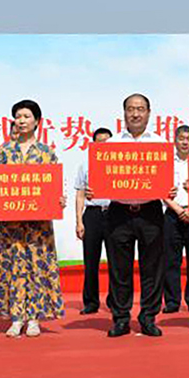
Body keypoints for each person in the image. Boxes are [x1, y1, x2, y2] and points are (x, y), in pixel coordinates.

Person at [0, 100, 66, 338]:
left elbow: (54, 185)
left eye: (26, 116)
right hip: (11, 223)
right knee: (13, 265)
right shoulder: (5, 151)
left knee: (37, 266)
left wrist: (59, 200)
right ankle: (16, 317)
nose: (21, 121)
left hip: (38, 224)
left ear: (37, 121)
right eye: (18, 116)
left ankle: (34, 319)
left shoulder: (46, 152)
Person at [101, 94, 177, 338]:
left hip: (150, 212)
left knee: (152, 268)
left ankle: (148, 317)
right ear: (124, 113)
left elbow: (170, 179)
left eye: (140, 109)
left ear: (149, 113)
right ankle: (121, 318)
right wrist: (95, 189)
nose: (135, 114)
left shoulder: (160, 144)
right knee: (119, 269)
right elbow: (101, 178)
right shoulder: (112, 144)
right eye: (131, 109)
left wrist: (172, 188)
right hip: (119, 213)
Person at [162, 125, 189, 314]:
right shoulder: (166, 162)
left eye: (188, 139)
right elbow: (161, 189)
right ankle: (172, 301)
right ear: (175, 140)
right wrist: (179, 209)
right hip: (172, 214)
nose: (185, 142)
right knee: (171, 260)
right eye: (181, 138)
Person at [74, 127, 114, 315]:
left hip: (115, 214)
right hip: (92, 215)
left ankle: (115, 301)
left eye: (108, 142)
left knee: (116, 261)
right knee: (91, 261)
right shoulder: (85, 165)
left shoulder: (120, 164)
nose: (104, 145)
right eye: (100, 142)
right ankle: (90, 302)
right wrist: (78, 221)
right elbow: (80, 194)